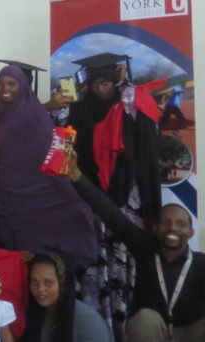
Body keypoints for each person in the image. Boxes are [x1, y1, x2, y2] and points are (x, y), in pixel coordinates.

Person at [65, 156, 205, 342]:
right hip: (154, 332)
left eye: (181, 224)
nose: (173, 228)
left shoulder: (201, 263)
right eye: (166, 222)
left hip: (191, 334)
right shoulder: (145, 248)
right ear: (155, 228)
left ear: (190, 232)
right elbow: (111, 214)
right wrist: (76, 176)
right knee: (144, 318)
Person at [0, 65, 97, 266]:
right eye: (1, 83)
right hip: (8, 199)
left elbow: (45, 157)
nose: (5, 88)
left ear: (22, 87)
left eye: (11, 84)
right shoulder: (4, 111)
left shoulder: (34, 115)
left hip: (35, 200)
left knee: (35, 264)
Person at [69, 53, 161, 226]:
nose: (100, 89)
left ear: (114, 82)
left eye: (105, 83)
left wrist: (124, 83)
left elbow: (143, 108)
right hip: (91, 174)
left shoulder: (126, 105)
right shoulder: (83, 108)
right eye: (94, 85)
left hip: (124, 175)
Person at [20, 253, 110, 342]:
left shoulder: (88, 322)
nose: (40, 289)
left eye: (48, 283)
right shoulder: (32, 313)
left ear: (63, 284)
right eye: (34, 281)